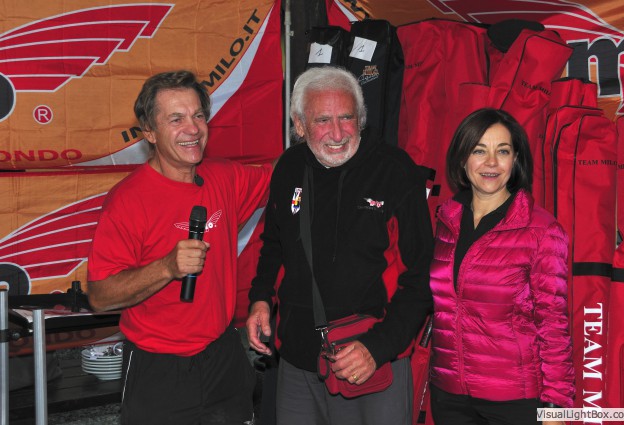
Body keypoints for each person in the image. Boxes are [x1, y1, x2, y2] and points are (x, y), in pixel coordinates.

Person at [246, 66, 433, 425]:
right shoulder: (289, 168)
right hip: (298, 362)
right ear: (299, 125)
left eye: (346, 118)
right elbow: (274, 244)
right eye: (322, 120)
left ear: (360, 118)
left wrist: (377, 348)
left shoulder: (395, 171)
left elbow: (423, 276)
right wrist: (260, 298)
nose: (337, 133)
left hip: (371, 364)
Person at [87, 70, 272, 425]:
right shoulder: (128, 201)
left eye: (198, 115)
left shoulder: (224, 177)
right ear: (150, 132)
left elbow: (281, 175)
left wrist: (319, 135)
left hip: (223, 357)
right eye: (176, 119)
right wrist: (167, 267)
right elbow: (99, 296)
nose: (193, 129)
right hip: (159, 367)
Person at [428, 108, 575, 425]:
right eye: (479, 150)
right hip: (449, 395)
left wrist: (556, 407)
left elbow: (554, 327)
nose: (491, 162)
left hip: (514, 401)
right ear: (463, 158)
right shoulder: (446, 220)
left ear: (515, 159)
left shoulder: (542, 231)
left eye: (503, 151)